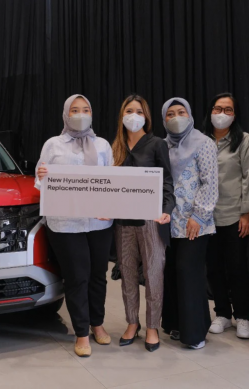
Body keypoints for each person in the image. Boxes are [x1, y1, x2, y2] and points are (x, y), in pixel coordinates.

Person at [35, 94, 114, 358]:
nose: (80, 114)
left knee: (98, 275)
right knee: (77, 277)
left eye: (86, 109)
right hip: (65, 223)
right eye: (75, 110)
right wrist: (42, 176)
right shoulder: (53, 144)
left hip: (99, 222)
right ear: (66, 114)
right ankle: (81, 332)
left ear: (92, 114)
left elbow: (112, 181)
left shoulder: (102, 145)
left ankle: (97, 323)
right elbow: (40, 183)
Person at [112, 94, 175, 352]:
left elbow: (168, 181)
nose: (134, 116)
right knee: (127, 273)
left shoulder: (157, 144)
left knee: (153, 273)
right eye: (129, 111)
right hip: (123, 221)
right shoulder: (115, 147)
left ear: (146, 117)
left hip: (151, 219)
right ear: (121, 115)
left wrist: (167, 210)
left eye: (139, 111)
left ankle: (152, 326)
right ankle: (132, 322)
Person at [161, 97, 218, 350]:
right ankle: (176, 323)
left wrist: (199, 216)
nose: (176, 118)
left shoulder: (203, 143)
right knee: (172, 271)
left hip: (195, 222)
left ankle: (195, 332)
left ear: (190, 115)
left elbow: (210, 183)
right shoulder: (162, 145)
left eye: (181, 112)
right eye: (170, 114)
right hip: (168, 221)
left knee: (189, 272)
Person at [200, 93, 249, 339]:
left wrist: (247, 213)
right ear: (210, 111)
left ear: (235, 115)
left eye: (228, 110)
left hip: (235, 215)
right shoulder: (201, 141)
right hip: (207, 217)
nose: (221, 114)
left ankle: (242, 316)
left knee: (237, 268)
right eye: (217, 108)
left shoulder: (244, 141)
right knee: (213, 268)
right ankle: (222, 313)